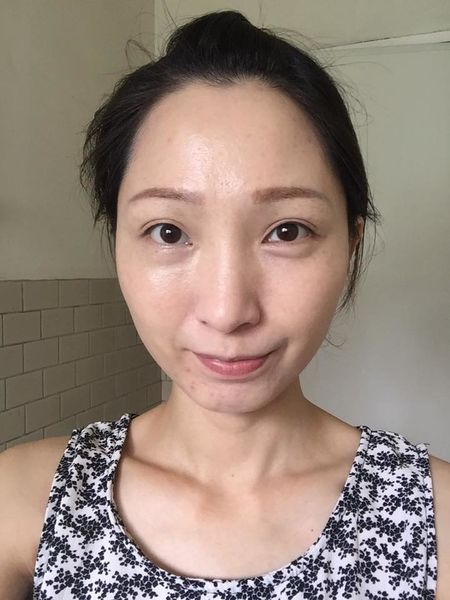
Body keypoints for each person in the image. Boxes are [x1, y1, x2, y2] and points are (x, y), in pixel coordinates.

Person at [1, 9, 449, 600]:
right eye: (168, 232)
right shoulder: (21, 502)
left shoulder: (437, 519)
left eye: (287, 230)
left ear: (350, 244)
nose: (228, 309)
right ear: (116, 244)